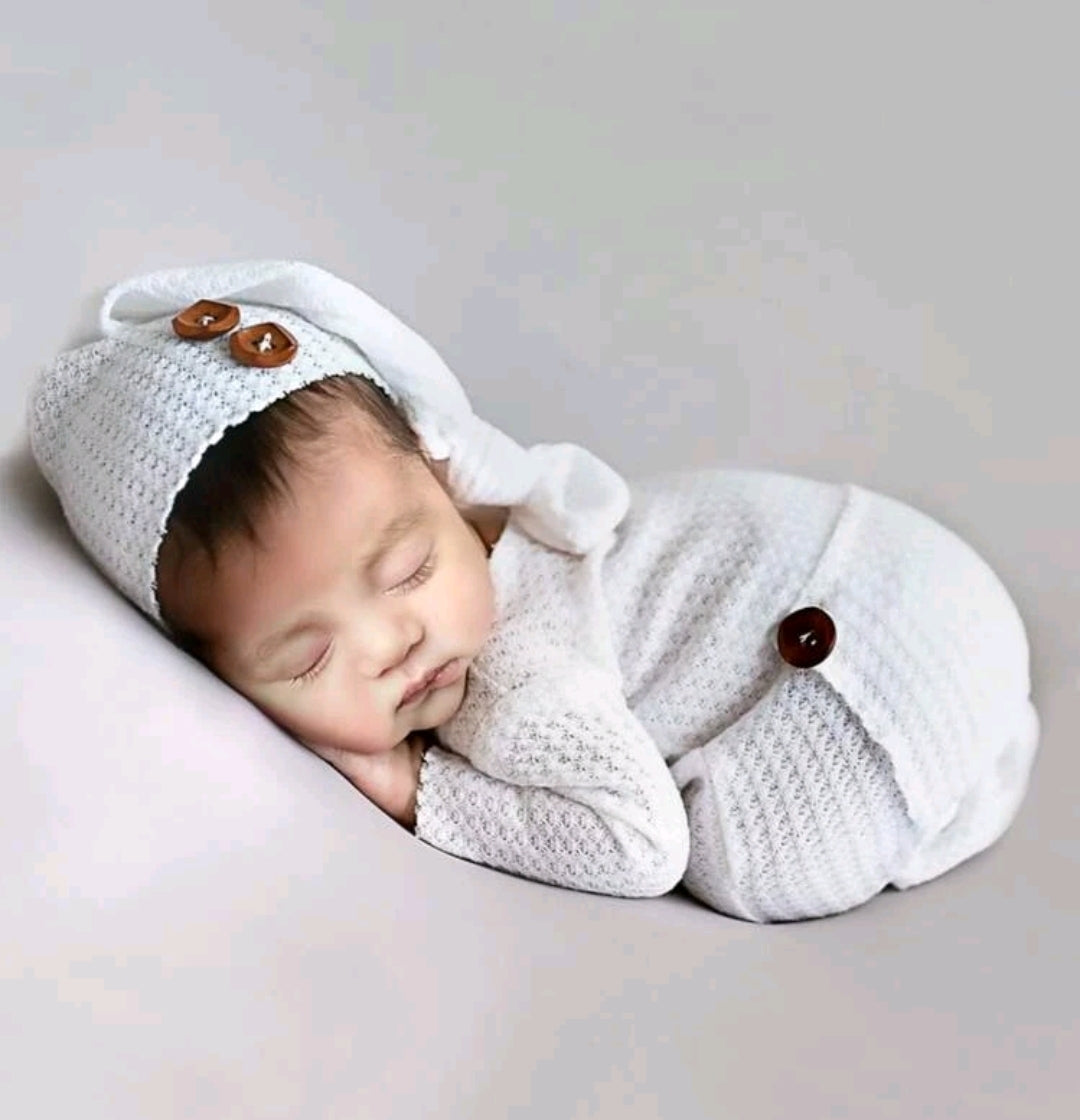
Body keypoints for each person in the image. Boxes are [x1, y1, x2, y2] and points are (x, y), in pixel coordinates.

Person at [28, 260, 1040, 922]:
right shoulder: (520, 537)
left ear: (451, 479)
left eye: (410, 569)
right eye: (311, 655)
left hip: (870, 663)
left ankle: (945, 778)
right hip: (928, 580)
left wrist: (422, 792)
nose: (396, 641)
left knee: (753, 867)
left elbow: (644, 845)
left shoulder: (512, 673)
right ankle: (986, 743)